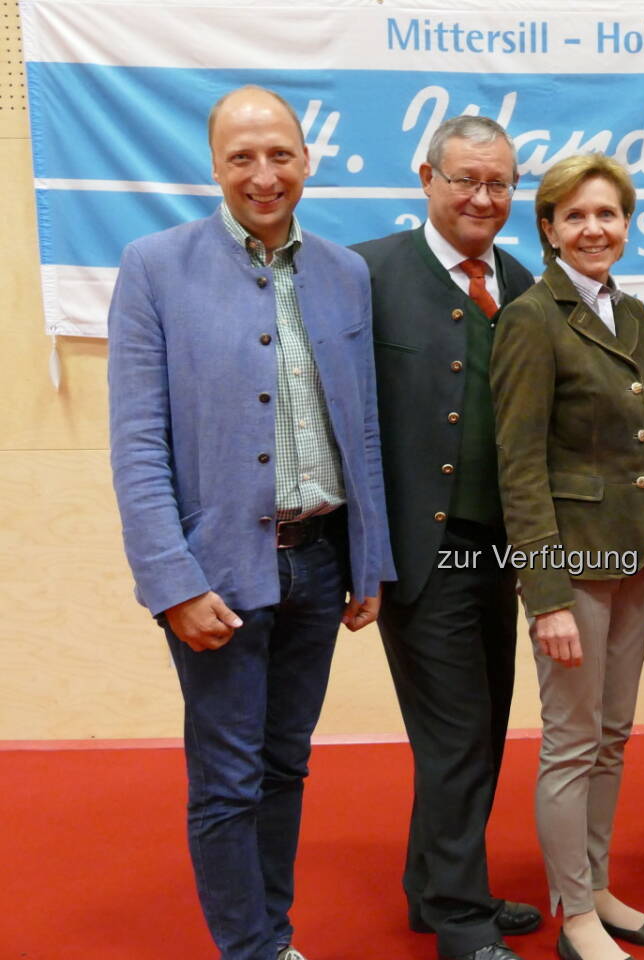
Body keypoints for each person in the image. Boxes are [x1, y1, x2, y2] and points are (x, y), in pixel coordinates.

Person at [107, 85, 392, 960]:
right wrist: (172, 583)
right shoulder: (155, 266)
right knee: (228, 782)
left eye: (279, 155)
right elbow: (137, 443)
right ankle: (253, 949)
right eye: (242, 158)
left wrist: (370, 561)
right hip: (218, 575)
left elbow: (365, 429)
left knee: (285, 768)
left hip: (318, 566)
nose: (263, 176)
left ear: (306, 160)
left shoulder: (346, 272)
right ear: (216, 167)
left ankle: (274, 937)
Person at [351, 115, 539, 960]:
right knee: (456, 734)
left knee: (483, 726)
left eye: (499, 183)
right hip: (418, 556)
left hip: (497, 552)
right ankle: (461, 918)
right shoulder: (367, 272)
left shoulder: (523, 280)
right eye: (465, 180)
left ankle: (434, 887)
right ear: (427, 177)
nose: (482, 198)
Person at [490, 153, 644, 960]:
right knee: (569, 742)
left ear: (626, 225)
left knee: (614, 734)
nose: (594, 229)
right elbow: (519, 465)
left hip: (634, 562)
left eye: (608, 214)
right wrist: (547, 595)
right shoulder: (532, 317)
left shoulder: (629, 313)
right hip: (573, 571)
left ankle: (595, 885)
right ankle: (572, 916)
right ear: (548, 228)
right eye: (576, 216)